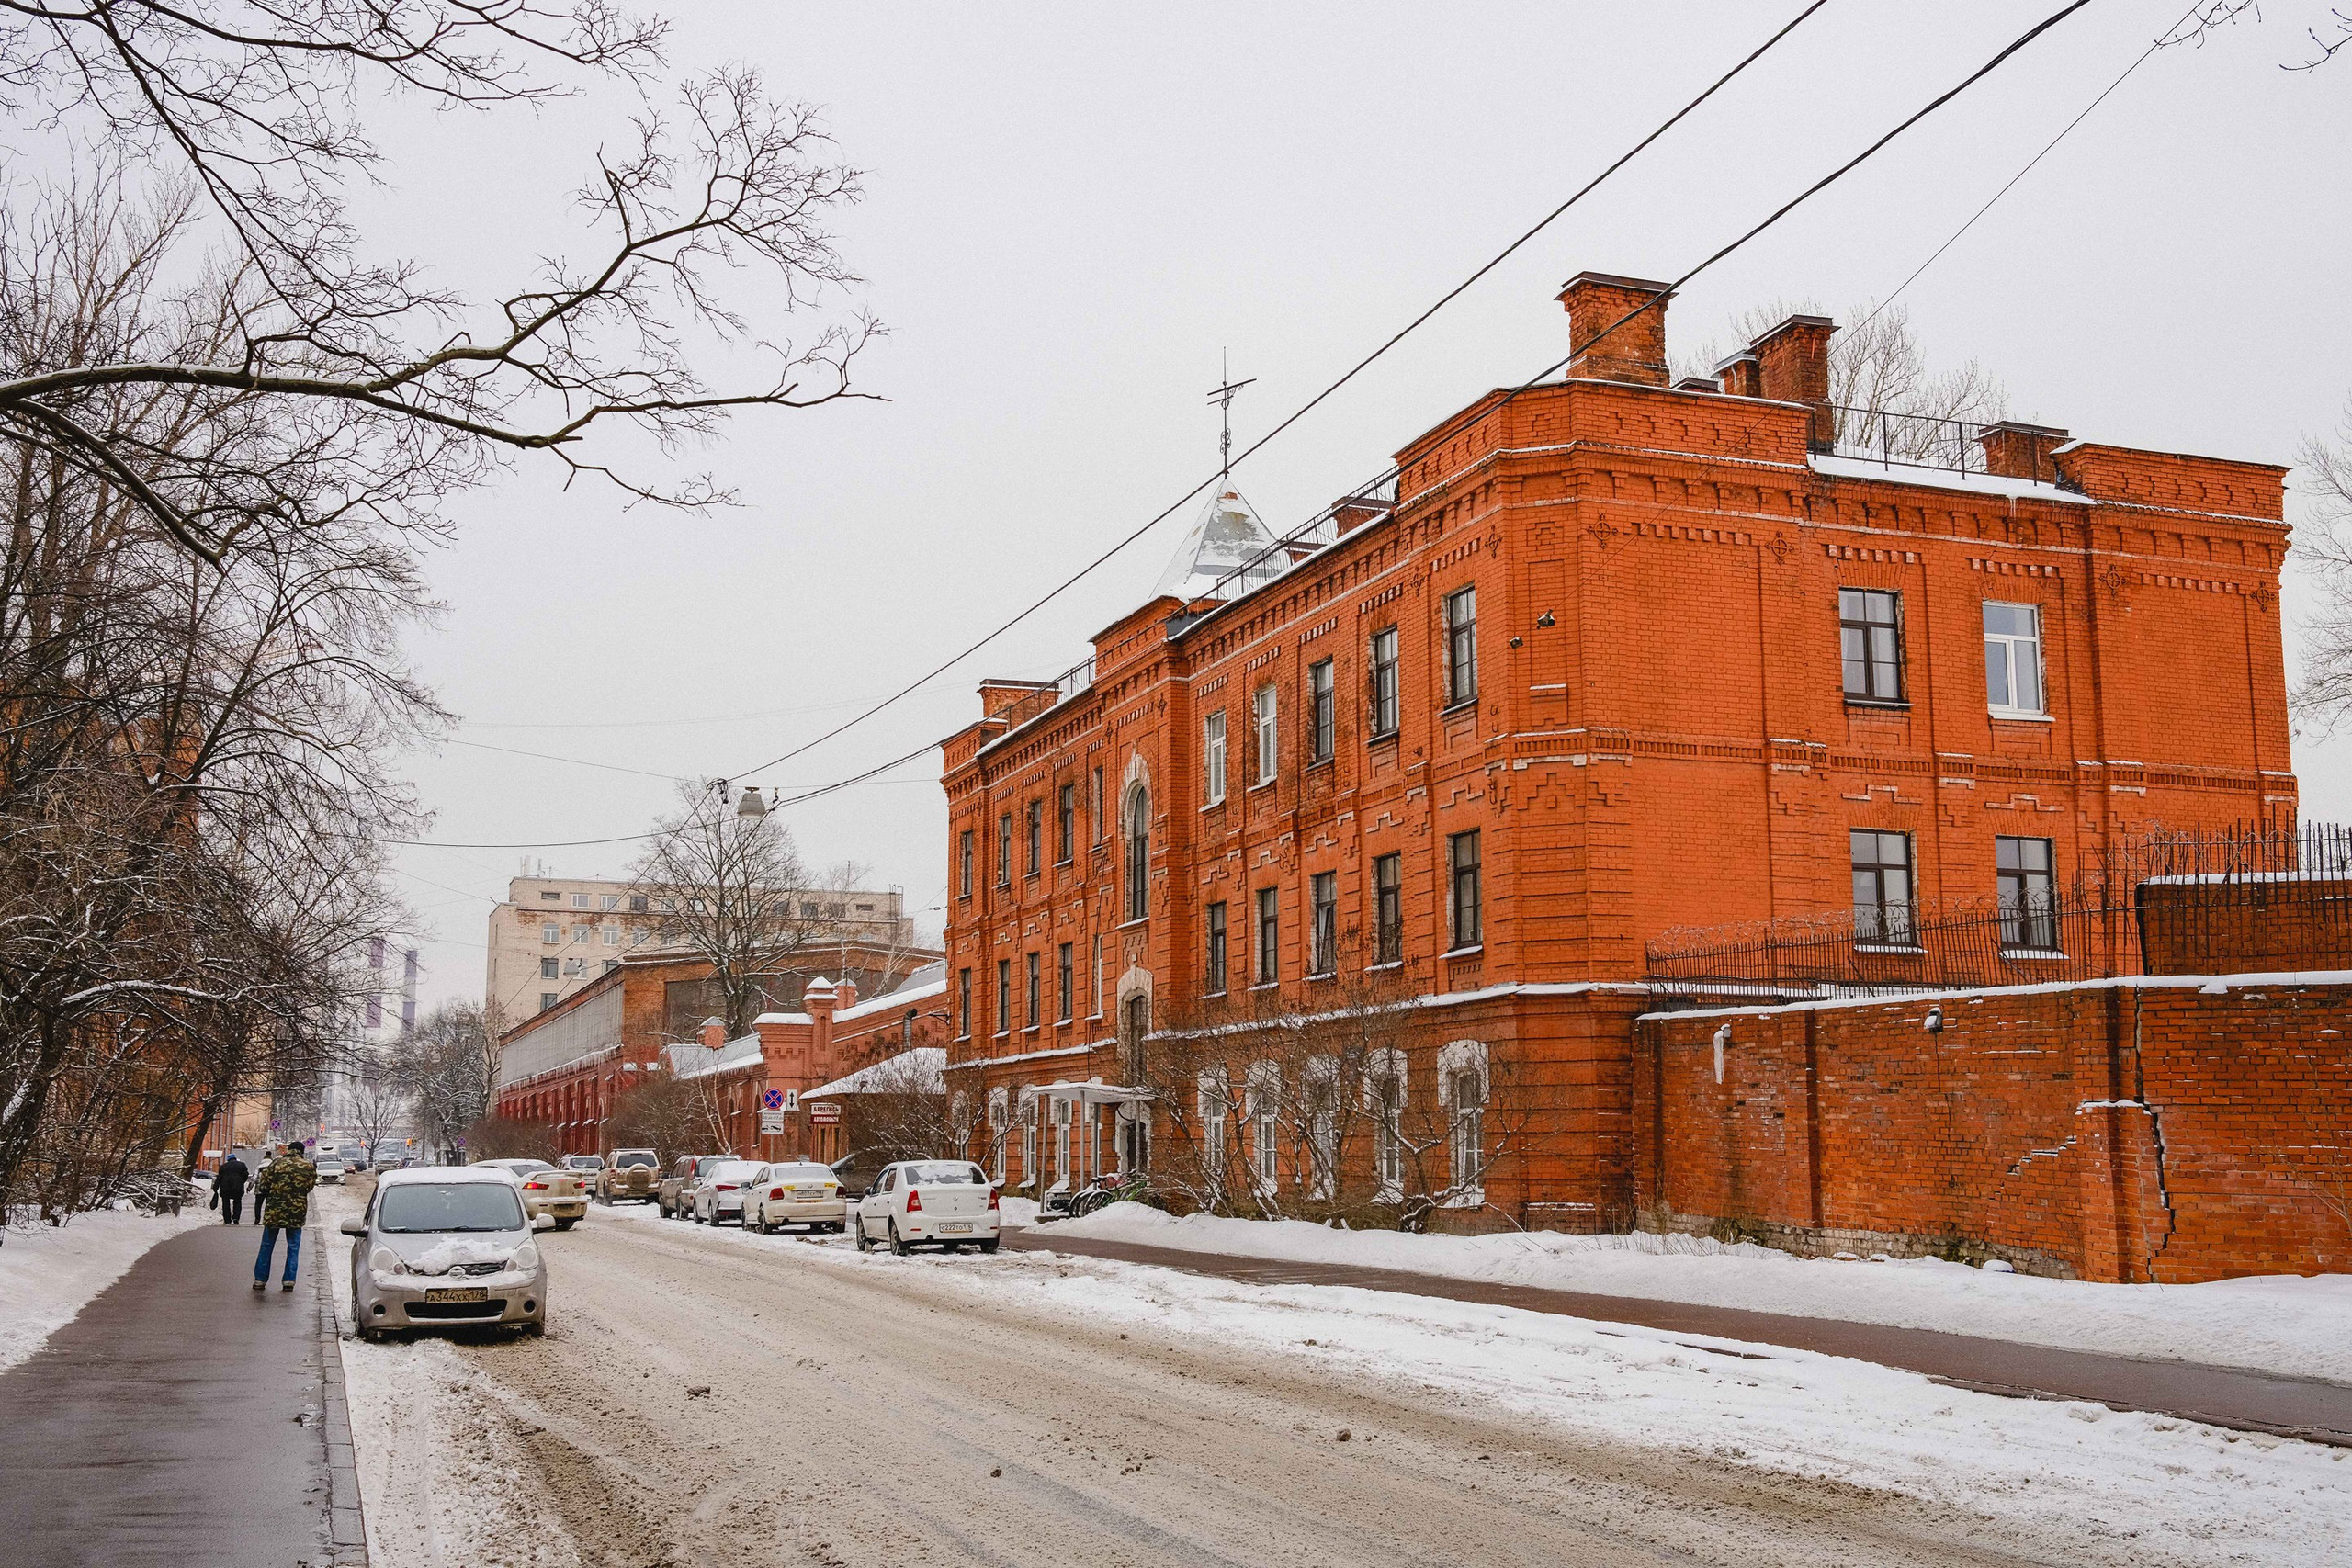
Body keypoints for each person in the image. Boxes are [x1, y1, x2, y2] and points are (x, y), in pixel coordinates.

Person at [251, 1140, 317, 1292]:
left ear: (289, 1149)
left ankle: (260, 1280)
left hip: (275, 1211)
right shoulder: (308, 1166)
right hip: (296, 1212)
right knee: (293, 1247)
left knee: (267, 1246)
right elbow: (308, 1187)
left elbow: (264, 1185)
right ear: (302, 1151)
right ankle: (289, 1280)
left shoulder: (276, 1164)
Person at [212, 1150, 250, 1225]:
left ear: (228, 1159)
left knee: (226, 1203)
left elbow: (219, 1177)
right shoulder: (242, 1165)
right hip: (237, 1187)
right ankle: (236, 1218)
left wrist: (215, 1187)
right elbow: (246, 1175)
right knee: (237, 1202)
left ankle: (227, 1220)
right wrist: (241, 1181)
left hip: (225, 1188)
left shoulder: (223, 1166)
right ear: (235, 1158)